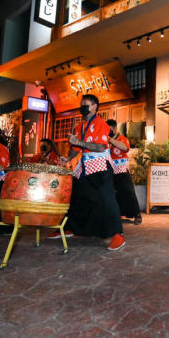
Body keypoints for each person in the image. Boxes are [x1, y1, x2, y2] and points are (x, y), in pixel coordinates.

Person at [60, 94, 125, 251]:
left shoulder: (101, 124)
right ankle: (71, 228)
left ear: (95, 106)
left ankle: (117, 234)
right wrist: (67, 158)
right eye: (81, 103)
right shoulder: (80, 126)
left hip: (101, 165)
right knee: (77, 196)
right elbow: (76, 148)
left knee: (106, 199)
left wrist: (78, 142)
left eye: (86, 104)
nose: (82, 106)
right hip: (85, 165)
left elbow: (101, 147)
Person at [107, 119, 142, 225]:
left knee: (128, 191)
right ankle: (117, 215)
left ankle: (137, 214)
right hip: (110, 169)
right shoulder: (105, 140)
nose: (108, 131)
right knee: (113, 193)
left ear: (114, 128)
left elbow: (125, 148)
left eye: (109, 129)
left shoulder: (122, 139)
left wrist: (111, 140)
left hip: (121, 168)